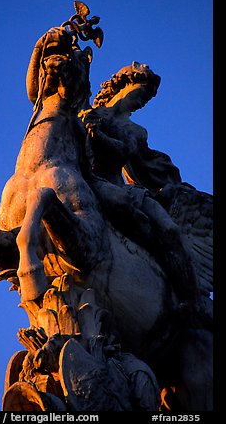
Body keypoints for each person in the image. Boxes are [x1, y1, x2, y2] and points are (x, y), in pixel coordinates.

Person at [78, 62, 203, 322]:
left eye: (146, 100)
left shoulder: (135, 130)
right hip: (85, 183)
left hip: (120, 188)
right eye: (142, 94)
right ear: (124, 85)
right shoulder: (88, 111)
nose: (141, 102)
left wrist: (98, 135)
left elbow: (124, 152)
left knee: (169, 230)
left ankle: (191, 298)